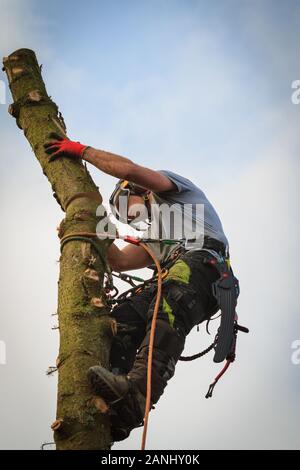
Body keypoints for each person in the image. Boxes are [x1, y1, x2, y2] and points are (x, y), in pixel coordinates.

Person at [44, 133, 231, 442]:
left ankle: (138, 393)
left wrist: (82, 151)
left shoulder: (173, 191)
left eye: (124, 206)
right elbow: (117, 260)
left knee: (167, 304)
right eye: (119, 215)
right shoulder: (158, 237)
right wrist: (88, 225)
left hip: (202, 263)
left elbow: (129, 170)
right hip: (174, 273)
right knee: (122, 318)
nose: (128, 219)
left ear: (138, 192)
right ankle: (117, 400)